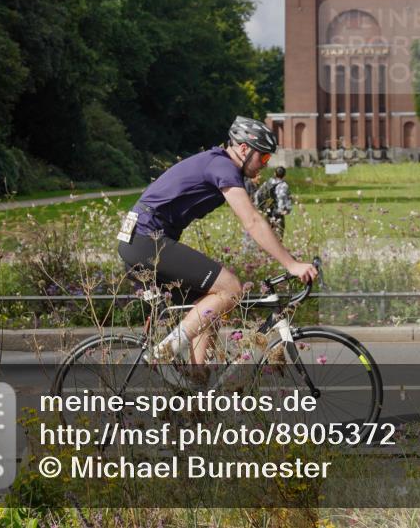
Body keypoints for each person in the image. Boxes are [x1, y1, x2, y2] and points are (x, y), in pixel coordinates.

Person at [117, 116, 318, 365]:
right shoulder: (222, 166)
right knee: (230, 288)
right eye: (264, 156)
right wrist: (291, 264)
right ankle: (163, 352)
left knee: (208, 306)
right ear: (243, 149)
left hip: (140, 241)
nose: (265, 164)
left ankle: (198, 382)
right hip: (144, 240)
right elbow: (252, 221)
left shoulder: (217, 164)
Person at [254, 166, 292, 240]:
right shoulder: (284, 185)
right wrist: (287, 210)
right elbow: (284, 198)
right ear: (284, 175)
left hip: (267, 212)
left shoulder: (267, 183)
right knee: (278, 237)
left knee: (267, 236)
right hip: (278, 214)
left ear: (274, 173)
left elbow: (258, 194)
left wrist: (259, 206)